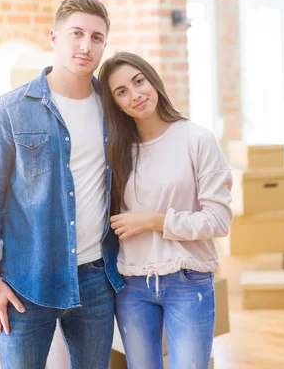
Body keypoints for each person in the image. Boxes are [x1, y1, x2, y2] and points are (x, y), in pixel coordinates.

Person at [0, 0, 124, 369]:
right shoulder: (10, 109)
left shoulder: (114, 109)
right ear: (54, 37)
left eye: (97, 37)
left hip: (96, 280)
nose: (87, 46)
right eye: (77, 33)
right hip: (25, 282)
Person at [98, 52, 233, 369]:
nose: (135, 95)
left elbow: (219, 220)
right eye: (122, 92)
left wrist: (153, 221)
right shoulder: (116, 152)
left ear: (152, 80)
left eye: (138, 81)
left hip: (187, 282)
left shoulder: (197, 139)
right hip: (132, 286)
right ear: (115, 104)